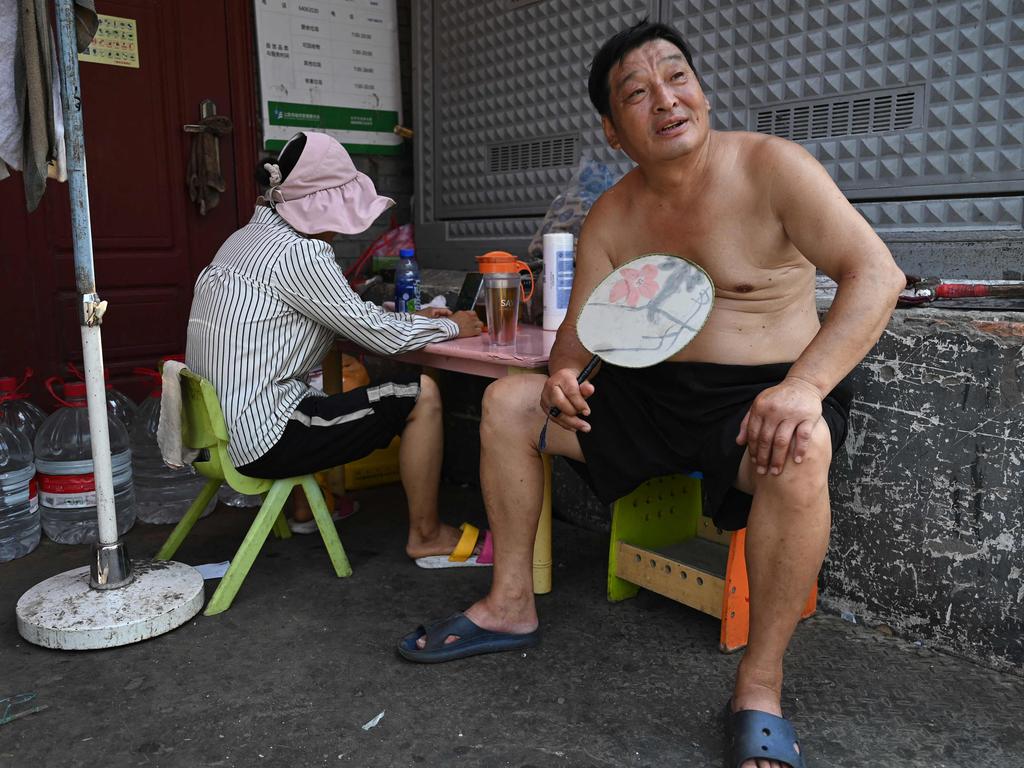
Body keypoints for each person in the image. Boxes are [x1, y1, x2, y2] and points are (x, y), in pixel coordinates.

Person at [397, 20, 906, 768]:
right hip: (649, 395)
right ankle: (510, 606)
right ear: (613, 129)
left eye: (677, 77)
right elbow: (575, 348)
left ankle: (759, 686)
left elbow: (877, 274)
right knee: (511, 403)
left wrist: (804, 387)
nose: (665, 99)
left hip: (761, 395)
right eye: (637, 93)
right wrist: (565, 379)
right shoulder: (614, 214)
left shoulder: (773, 168)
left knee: (804, 448)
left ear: (700, 90)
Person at [186, 130, 486, 565]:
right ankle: (426, 535)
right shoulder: (300, 253)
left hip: (216, 437)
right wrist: (453, 327)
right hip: (265, 440)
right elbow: (378, 336)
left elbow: (347, 317)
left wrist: (413, 320)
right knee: (422, 393)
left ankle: (307, 507)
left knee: (315, 389)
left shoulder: (242, 241)